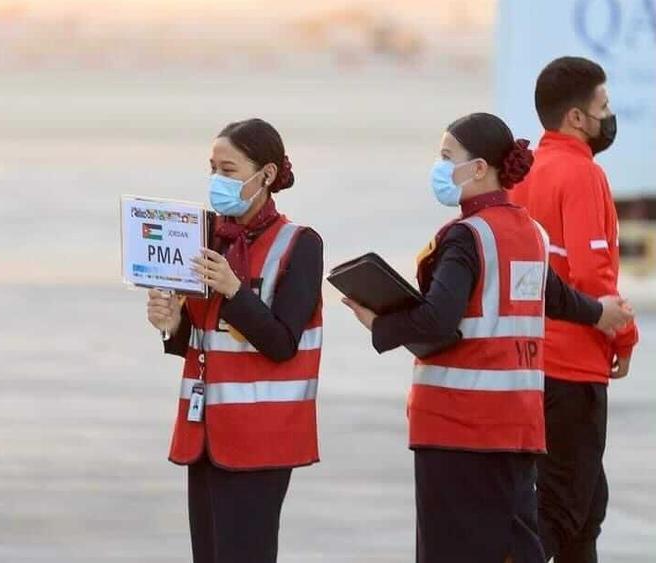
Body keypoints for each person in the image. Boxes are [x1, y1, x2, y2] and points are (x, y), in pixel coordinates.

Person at [342, 112, 633, 563]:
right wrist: (601, 314)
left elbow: (438, 321)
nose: (439, 167)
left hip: (457, 427)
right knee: (512, 546)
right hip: (518, 426)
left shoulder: (466, 237)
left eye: (447, 157)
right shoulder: (530, 233)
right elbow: (555, 297)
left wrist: (380, 323)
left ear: (479, 168)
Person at [146, 118, 323, 563]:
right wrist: (172, 324)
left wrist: (233, 290)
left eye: (228, 170)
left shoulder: (299, 244)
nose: (216, 180)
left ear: (265, 175)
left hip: (262, 436)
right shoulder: (207, 237)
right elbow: (205, 336)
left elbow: (282, 343)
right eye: (212, 168)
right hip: (206, 433)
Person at [510, 56, 640, 562]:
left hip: (530, 361)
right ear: (577, 118)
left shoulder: (525, 172)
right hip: (573, 365)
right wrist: (623, 337)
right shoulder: (582, 174)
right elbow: (591, 274)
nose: (609, 115)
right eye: (603, 106)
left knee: (585, 509)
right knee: (562, 509)